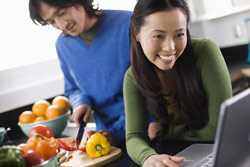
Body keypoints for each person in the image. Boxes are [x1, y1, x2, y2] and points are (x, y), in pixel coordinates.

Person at [123, 0, 232, 166]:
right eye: (158, 36)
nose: (170, 47)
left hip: (218, 151)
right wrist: (148, 157)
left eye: (179, 34)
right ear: (137, 33)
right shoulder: (132, 77)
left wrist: (166, 132)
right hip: (176, 156)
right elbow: (134, 136)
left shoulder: (205, 52)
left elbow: (220, 128)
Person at [28, 0, 131, 148]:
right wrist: (81, 103)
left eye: (61, 13)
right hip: (104, 137)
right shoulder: (63, 45)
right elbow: (72, 88)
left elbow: (152, 84)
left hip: (144, 127)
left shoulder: (129, 24)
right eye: (51, 22)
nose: (61, 25)